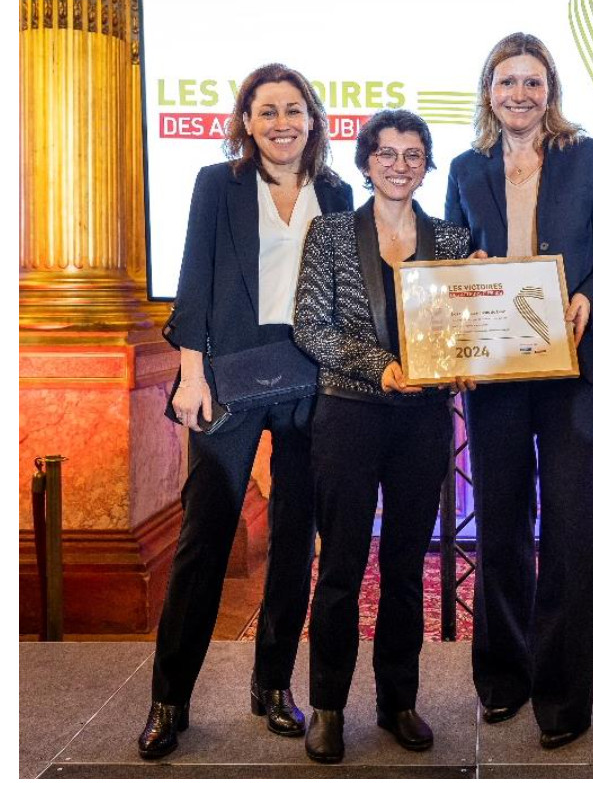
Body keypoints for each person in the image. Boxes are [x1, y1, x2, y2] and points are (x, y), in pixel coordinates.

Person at [138, 64, 353, 759]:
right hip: (228, 377)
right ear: (247, 121)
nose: (282, 122)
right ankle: (169, 700)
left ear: (314, 119)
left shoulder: (339, 192)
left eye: (294, 109)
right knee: (205, 539)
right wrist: (190, 375)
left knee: (294, 541)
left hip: (312, 379)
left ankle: (271, 686)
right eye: (267, 111)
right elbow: (193, 280)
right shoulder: (217, 184)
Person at [445, 32, 593, 749]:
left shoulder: (590, 158)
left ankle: (563, 696)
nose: (518, 94)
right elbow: (452, 255)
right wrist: (470, 264)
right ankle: (502, 679)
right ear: (487, 91)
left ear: (549, 90)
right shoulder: (466, 166)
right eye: (505, 82)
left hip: (571, 368)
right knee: (497, 525)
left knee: (569, 531)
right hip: (495, 370)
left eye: (531, 81)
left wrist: (587, 296)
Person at [293, 109, 471, 764]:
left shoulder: (452, 241)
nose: (399, 165)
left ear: (427, 166)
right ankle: (328, 708)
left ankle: (399, 701)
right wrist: (382, 367)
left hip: (422, 422)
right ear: (367, 162)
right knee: (339, 567)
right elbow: (311, 327)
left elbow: (463, 332)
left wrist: (468, 360)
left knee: (404, 568)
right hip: (349, 415)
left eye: (413, 155)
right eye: (387, 154)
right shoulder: (331, 233)